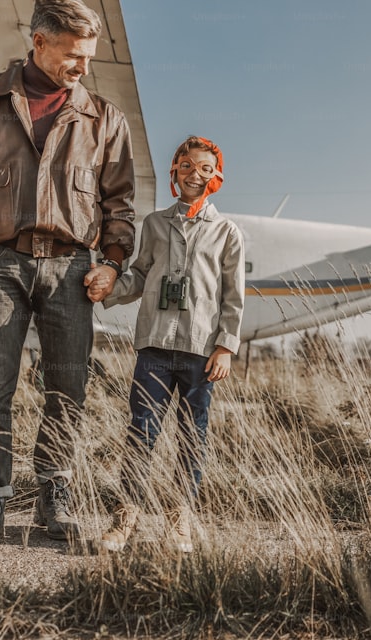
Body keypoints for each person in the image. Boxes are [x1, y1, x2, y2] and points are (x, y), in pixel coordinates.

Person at [0, 0, 136, 551]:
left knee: (69, 390)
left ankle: (52, 505)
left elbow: (120, 204)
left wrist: (111, 261)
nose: (83, 66)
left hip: (72, 269)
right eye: (72, 54)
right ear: (38, 41)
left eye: (89, 56)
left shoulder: (106, 119)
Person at [89, 136, 244, 553]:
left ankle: (180, 520)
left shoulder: (228, 232)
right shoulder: (155, 224)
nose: (196, 174)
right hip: (154, 346)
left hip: (201, 351)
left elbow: (233, 295)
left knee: (192, 436)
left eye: (205, 169)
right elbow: (140, 274)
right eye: (188, 166)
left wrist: (226, 346)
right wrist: (108, 289)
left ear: (217, 178)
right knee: (141, 432)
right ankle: (126, 518)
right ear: (174, 170)